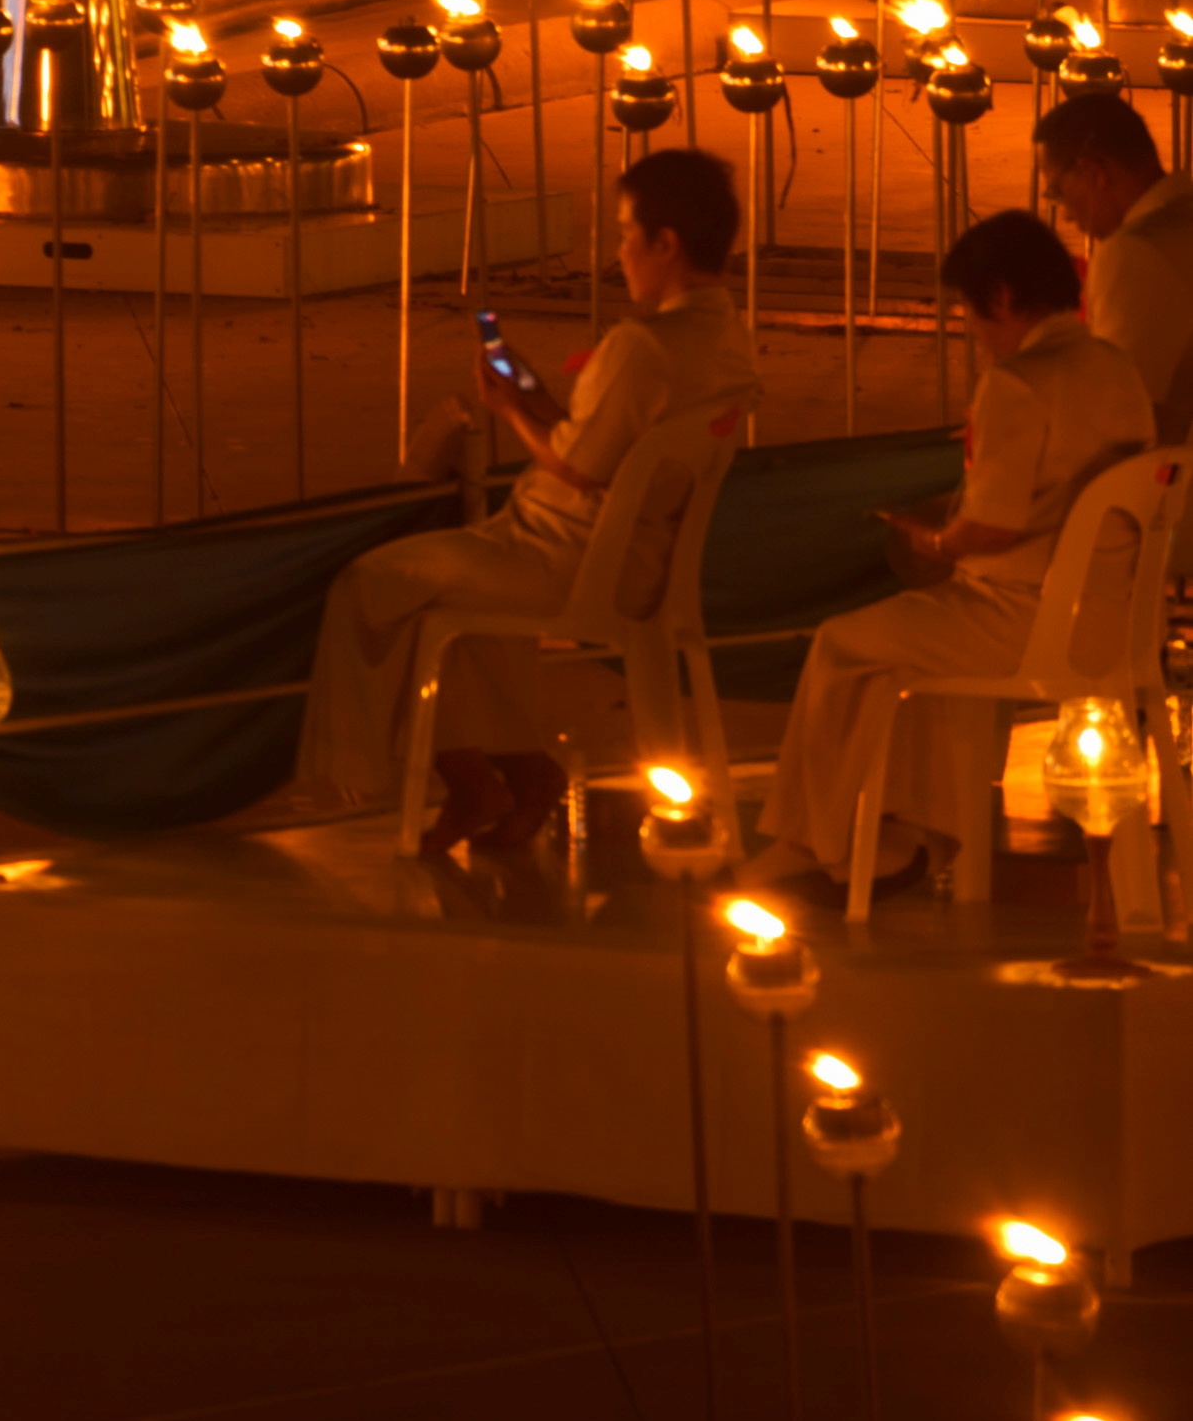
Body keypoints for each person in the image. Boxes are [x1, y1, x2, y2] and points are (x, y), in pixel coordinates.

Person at [293, 148, 760, 854]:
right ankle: (507, 772)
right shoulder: (725, 335)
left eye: (627, 233)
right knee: (448, 607)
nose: (619, 252)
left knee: (371, 583)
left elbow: (576, 464)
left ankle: (366, 772)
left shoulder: (642, 345)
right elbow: (605, 441)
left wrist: (511, 409)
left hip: (566, 552)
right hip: (638, 550)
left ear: (666, 244)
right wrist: (541, 399)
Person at [743, 211, 1161, 895]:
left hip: (1027, 617)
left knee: (844, 644)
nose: (971, 328)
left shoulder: (1018, 381)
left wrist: (934, 538)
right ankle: (904, 834)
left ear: (999, 297)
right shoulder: (1116, 367)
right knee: (912, 635)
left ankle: (801, 840)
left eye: (968, 310)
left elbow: (991, 527)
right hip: (1114, 615)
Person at [1038, 85, 1193, 437]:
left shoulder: (1133, 255)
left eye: (1058, 192)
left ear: (1095, 173)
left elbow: (1116, 414)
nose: (1065, 215)